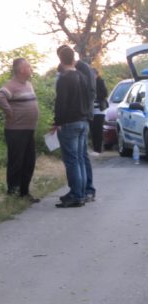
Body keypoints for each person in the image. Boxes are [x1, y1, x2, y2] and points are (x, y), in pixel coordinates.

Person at [0, 58, 40, 203]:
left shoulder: (28, 85)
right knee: (17, 162)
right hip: (16, 130)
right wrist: (9, 111)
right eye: (29, 67)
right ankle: (13, 192)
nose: (31, 69)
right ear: (21, 70)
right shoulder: (11, 85)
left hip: (29, 129)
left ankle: (24, 192)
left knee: (29, 161)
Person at [57, 44, 97, 202]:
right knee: (79, 158)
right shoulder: (80, 75)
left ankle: (78, 193)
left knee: (73, 159)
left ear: (61, 59)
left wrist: (57, 122)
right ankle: (82, 192)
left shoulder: (66, 77)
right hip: (82, 119)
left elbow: (61, 102)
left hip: (72, 121)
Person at [89, 68, 108, 154]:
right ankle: (95, 148)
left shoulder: (100, 81)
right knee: (93, 130)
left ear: (96, 74)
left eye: (93, 74)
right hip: (91, 110)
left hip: (100, 110)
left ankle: (98, 149)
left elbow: (105, 94)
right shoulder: (88, 82)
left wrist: (95, 95)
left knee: (98, 129)